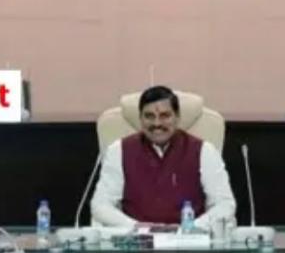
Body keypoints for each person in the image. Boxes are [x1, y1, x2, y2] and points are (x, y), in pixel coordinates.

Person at [91, 86, 236, 230]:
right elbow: (100, 205)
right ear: (140, 119)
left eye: (165, 116)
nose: (157, 124)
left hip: (189, 239)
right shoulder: (119, 150)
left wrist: (191, 227)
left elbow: (225, 204)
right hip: (137, 239)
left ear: (177, 117)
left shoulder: (204, 151)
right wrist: (135, 226)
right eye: (149, 116)